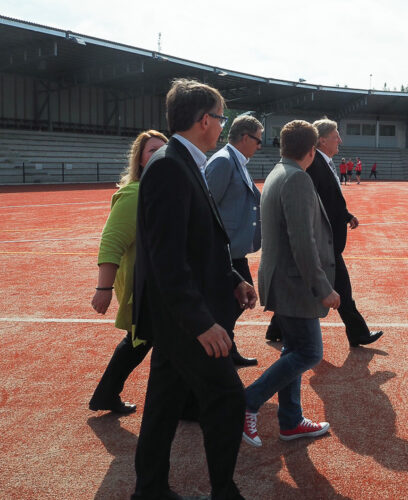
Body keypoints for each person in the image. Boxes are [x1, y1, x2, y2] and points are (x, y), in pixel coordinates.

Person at [131, 79, 256, 500]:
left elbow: (199, 242)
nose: (222, 125)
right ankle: (223, 491)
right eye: (220, 118)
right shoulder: (169, 165)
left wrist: (232, 279)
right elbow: (167, 259)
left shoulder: (185, 160)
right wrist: (201, 323)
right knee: (226, 397)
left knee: (164, 404)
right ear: (204, 120)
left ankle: (149, 489)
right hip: (184, 318)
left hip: (182, 313)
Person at [242, 120, 339, 448]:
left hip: (280, 279)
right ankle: (249, 400)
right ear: (312, 150)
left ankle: (290, 420)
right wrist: (323, 287)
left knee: (294, 350)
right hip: (295, 284)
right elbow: (303, 242)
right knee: (310, 352)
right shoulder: (297, 179)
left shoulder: (276, 173)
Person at [264, 118, 384, 348]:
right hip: (322, 242)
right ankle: (357, 332)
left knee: (334, 286)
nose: (340, 139)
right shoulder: (314, 164)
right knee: (342, 289)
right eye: (335, 135)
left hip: (326, 240)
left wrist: (346, 214)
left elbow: (327, 199)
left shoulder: (323, 162)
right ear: (321, 140)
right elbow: (310, 201)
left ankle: (276, 327)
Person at [89, 130, 167, 415]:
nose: (159, 154)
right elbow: (111, 241)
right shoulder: (136, 194)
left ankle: (105, 395)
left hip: (158, 284)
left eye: (163, 150)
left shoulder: (161, 191)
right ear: (141, 160)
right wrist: (103, 289)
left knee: (144, 339)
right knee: (144, 338)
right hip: (143, 285)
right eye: (152, 150)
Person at [205, 114, 266, 367]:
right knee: (237, 299)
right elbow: (206, 208)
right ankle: (217, 349)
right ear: (244, 137)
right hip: (224, 249)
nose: (259, 146)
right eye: (257, 140)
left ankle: (226, 348)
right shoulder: (223, 162)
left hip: (233, 248)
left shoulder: (236, 160)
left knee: (239, 298)